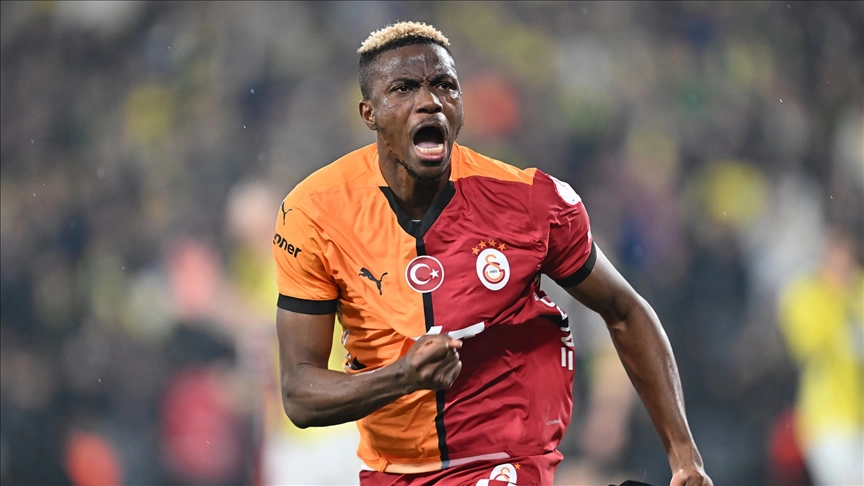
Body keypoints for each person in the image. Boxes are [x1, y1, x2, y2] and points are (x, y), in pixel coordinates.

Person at [272, 21, 712, 485]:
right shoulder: (314, 212)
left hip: (506, 461)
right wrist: (402, 376)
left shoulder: (532, 201)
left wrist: (684, 457)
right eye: (404, 88)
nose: (430, 101)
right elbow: (299, 395)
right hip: (392, 472)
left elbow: (625, 310)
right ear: (370, 113)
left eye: (445, 85)